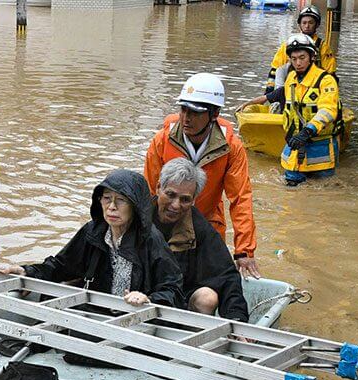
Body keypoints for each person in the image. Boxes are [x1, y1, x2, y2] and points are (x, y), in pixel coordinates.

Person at [1, 169, 183, 308]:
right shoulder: (94, 231)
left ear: (135, 206)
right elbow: (61, 266)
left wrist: (147, 299)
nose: (111, 207)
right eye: (106, 199)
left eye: (120, 200)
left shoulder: (151, 239)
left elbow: (173, 290)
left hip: (135, 319)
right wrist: (27, 272)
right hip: (97, 311)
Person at [144, 72, 260, 279]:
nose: (186, 118)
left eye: (195, 113)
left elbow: (240, 198)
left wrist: (244, 250)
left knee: (213, 283)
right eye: (183, 110)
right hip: (166, 222)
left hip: (208, 223)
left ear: (214, 114)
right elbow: (149, 191)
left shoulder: (231, 148)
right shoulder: (162, 141)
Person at [237, 34, 343, 186]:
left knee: (323, 190)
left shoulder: (326, 80)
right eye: (293, 59)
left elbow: (328, 110)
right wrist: (249, 102)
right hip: (294, 144)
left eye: (302, 58)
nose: (298, 63)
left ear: (312, 57)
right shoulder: (292, 77)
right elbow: (276, 95)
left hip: (320, 149)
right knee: (290, 188)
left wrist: (307, 131)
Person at [152, 159, 249, 321]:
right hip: (143, 293)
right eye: (170, 195)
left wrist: (236, 319)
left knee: (207, 298)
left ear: (194, 200)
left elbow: (227, 275)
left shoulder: (201, 228)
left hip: (181, 297)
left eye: (185, 199)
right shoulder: (137, 218)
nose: (175, 205)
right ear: (158, 188)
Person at [265, 5, 337, 94]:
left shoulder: (323, 47)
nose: (307, 26)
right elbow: (276, 69)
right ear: (299, 24)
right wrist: (270, 91)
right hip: (290, 87)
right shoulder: (288, 45)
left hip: (314, 88)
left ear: (317, 24)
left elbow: (330, 73)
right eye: (304, 23)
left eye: (311, 23)